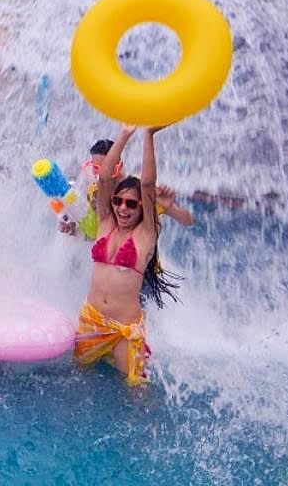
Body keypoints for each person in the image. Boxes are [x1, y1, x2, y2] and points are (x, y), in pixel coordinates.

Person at [74, 125, 180, 386]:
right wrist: (123, 135)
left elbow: (147, 183)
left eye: (131, 203)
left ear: (142, 206)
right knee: (79, 379)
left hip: (124, 328)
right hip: (92, 319)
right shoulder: (105, 223)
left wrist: (148, 136)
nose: (122, 208)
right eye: (118, 201)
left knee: (135, 390)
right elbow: (105, 179)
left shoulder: (146, 234)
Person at [61, 138, 194, 238]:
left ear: (118, 165)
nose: (98, 173)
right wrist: (73, 230)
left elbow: (187, 220)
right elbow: (96, 234)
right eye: (94, 168)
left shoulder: (140, 188)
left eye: (103, 168)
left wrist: (167, 205)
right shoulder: (94, 192)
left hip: (142, 266)